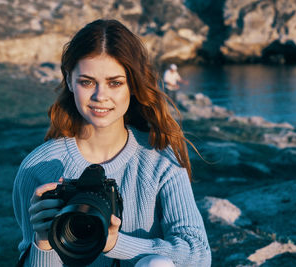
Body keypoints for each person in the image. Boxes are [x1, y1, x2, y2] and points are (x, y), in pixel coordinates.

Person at [13, 19, 211, 267]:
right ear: (69, 79)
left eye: (115, 83)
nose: (100, 96)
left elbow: (199, 256)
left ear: (133, 84)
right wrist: (43, 242)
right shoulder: (38, 168)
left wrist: (116, 243)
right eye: (87, 82)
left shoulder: (159, 160)